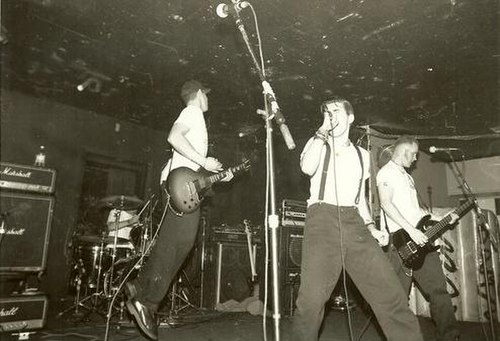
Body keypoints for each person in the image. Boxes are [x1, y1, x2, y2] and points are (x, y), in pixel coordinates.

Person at [292, 97, 423, 341]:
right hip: (322, 219)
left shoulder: (363, 156)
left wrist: (371, 227)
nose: (331, 115)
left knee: (389, 292)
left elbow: (359, 199)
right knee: (311, 301)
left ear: (350, 117)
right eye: (327, 111)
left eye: (336, 111)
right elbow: (307, 168)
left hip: (353, 222)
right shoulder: (318, 142)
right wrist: (322, 130)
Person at [124, 80, 232, 340]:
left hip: (183, 186)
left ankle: (139, 287)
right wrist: (203, 160)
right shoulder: (192, 112)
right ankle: (146, 302)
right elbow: (173, 137)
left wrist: (215, 173)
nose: (209, 100)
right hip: (179, 188)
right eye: (206, 95)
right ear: (198, 94)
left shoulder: (196, 119)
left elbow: (188, 161)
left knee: (175, 242)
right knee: (178, 244)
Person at [376, 135, 460, 341]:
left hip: (422, 241)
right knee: (397, 300)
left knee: (439, 293)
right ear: (404, 151)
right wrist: (411, 231)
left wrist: (441, 218)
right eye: (414, 154)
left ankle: (450, 337)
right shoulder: (386, 173)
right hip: (400, 243)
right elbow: (386, 204)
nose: (415, 159)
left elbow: (417, 213)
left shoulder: (408, 177)